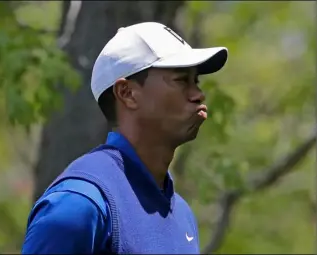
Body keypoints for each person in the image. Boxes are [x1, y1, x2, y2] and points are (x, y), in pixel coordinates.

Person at [22, 22, 228, 254]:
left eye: (196, 82)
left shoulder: (181, 214)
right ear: (127, 93)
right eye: (182, 80)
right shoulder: (79, 204)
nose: (198, 94)